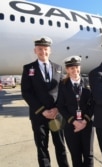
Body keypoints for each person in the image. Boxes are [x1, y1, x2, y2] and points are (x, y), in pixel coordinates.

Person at [21, 36, 69, 167]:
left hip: (56, 116)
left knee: (60, 145)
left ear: (50, 50)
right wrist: (42, 110)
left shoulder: (58, 68)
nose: (43, 51)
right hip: (39, 116)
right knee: (42, 147)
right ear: (35, 50)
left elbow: (63, 91)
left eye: (46, 49)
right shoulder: (28, 68)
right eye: (40, 49)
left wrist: (57, 109)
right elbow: (26, 92)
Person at [57, 55, 94, 167]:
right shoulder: (63, 85)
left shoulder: (88, 82)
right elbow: (61, 106)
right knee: (75, 155)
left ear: (80, 67)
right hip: (71, 125)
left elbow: (94, 103)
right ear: (67, 70)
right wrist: (74, 121)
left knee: (88, 155)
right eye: (71, 68)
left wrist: (85, 121)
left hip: (87, 124)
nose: (75, 70)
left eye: (77, 67)